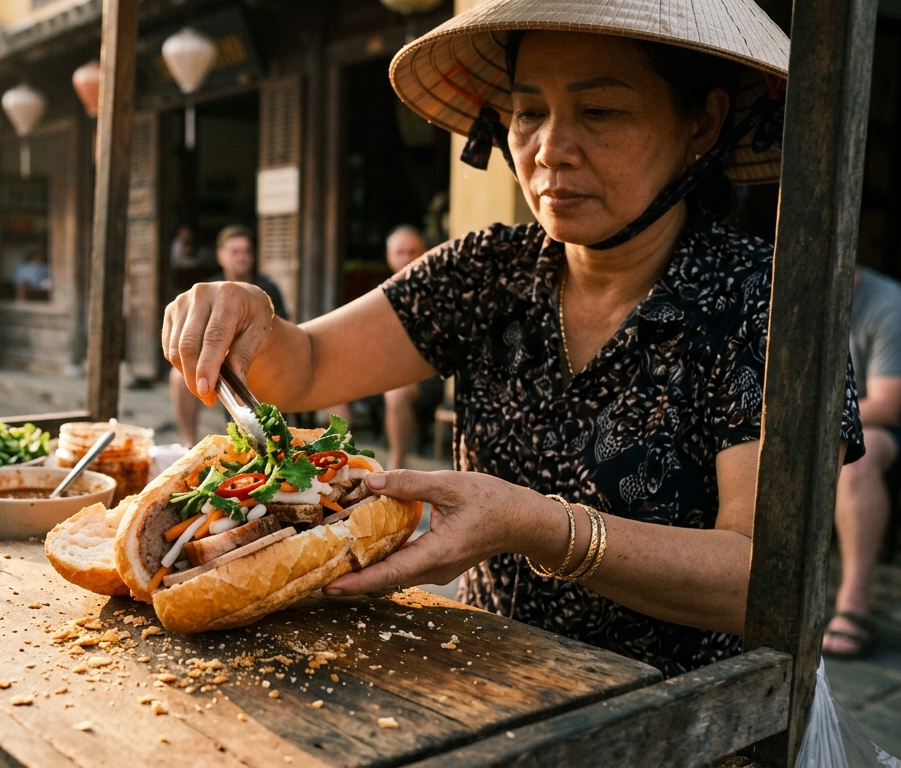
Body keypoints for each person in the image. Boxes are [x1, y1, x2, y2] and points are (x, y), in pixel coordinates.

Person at [163, 3, 865, 677]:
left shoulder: (765, 304)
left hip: (686, 712)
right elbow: (306, 365)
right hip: (490, 683)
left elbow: (766, 581)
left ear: (702, 123)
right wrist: (248, 315)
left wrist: (540, 528)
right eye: (530, 112)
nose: (551, 150)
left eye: (601, 111)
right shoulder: (489, 271)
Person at [824, 267, 901, 658]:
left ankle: (854, 605)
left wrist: (814, 417)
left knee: (856, 460)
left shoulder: (886, 301)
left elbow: (887, 404)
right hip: (818, 421)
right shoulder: (767, 290)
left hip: (879, 425)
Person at [168, 224, 286, 448]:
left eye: (246, 251)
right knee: (178, 378)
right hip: (217, 362)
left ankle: (252, 444)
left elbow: (284, 327)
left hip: (261, 359)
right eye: (235, 252)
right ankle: (188, 443)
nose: (242, 257)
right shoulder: (209, 288)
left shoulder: (268, 287)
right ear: (221, 256)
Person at [379, 225, 444, 470]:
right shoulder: (379, 296)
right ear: (389, 257)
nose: (407, 258)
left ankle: (396, 463)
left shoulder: (440, 292)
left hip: (431, 374)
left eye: (412, 251)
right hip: (386, 371)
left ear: (424, 252)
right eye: (400, 252)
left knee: (396, 393)